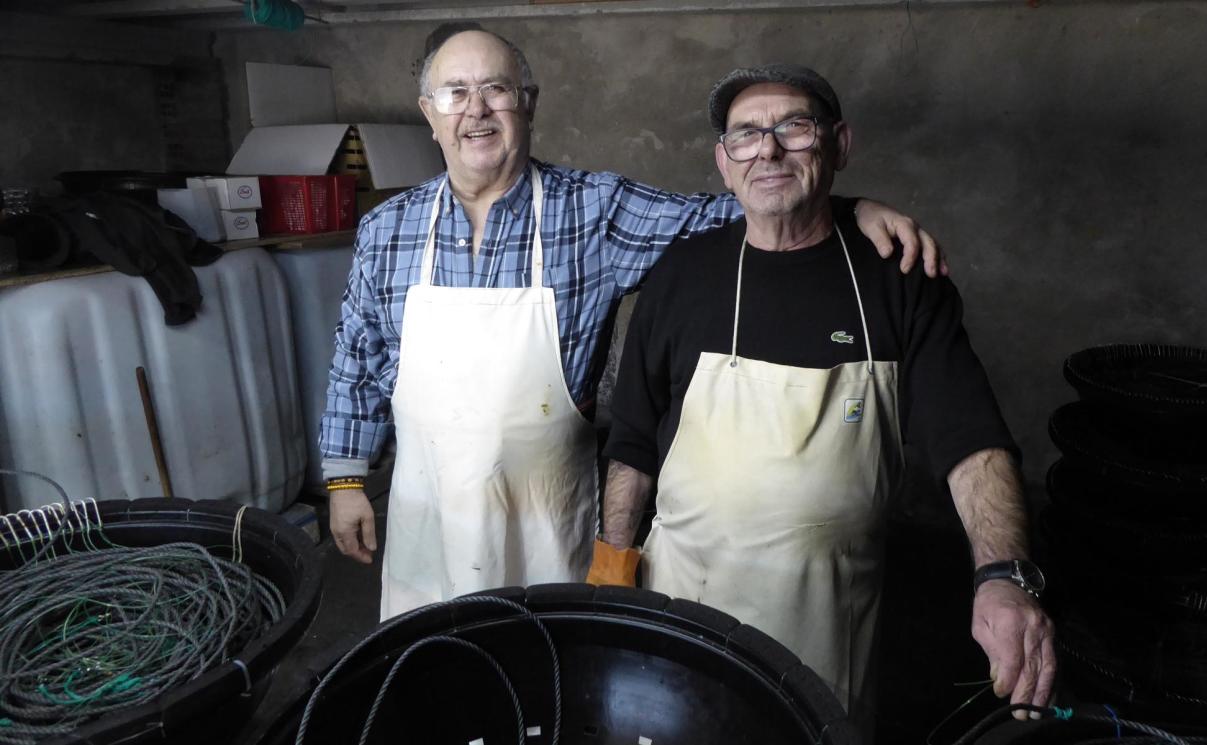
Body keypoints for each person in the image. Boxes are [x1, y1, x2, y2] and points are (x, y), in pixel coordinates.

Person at [321, 28, 947, 621]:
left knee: (549, 682)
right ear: (429, 112)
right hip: (427, 512)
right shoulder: (387, 229)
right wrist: (346, 477)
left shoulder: (593, 210)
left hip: (546, 521)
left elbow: (751, 205)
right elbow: (357, 352)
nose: (476, 111)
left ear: (529, 104)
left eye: (497, 90)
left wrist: (846, 207)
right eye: (456, 93)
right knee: (434, 682)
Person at [586, 64, 1054, 741]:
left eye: (792, 128)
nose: (768, 150)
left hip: (828, 624)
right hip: (680, 605)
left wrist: (1003, 573)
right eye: (745, 135)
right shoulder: (681, 277)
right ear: (723, 161)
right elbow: (630, 440)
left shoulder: (898, 281)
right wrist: (611, 566)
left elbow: (971, 440)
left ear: (838, 144)